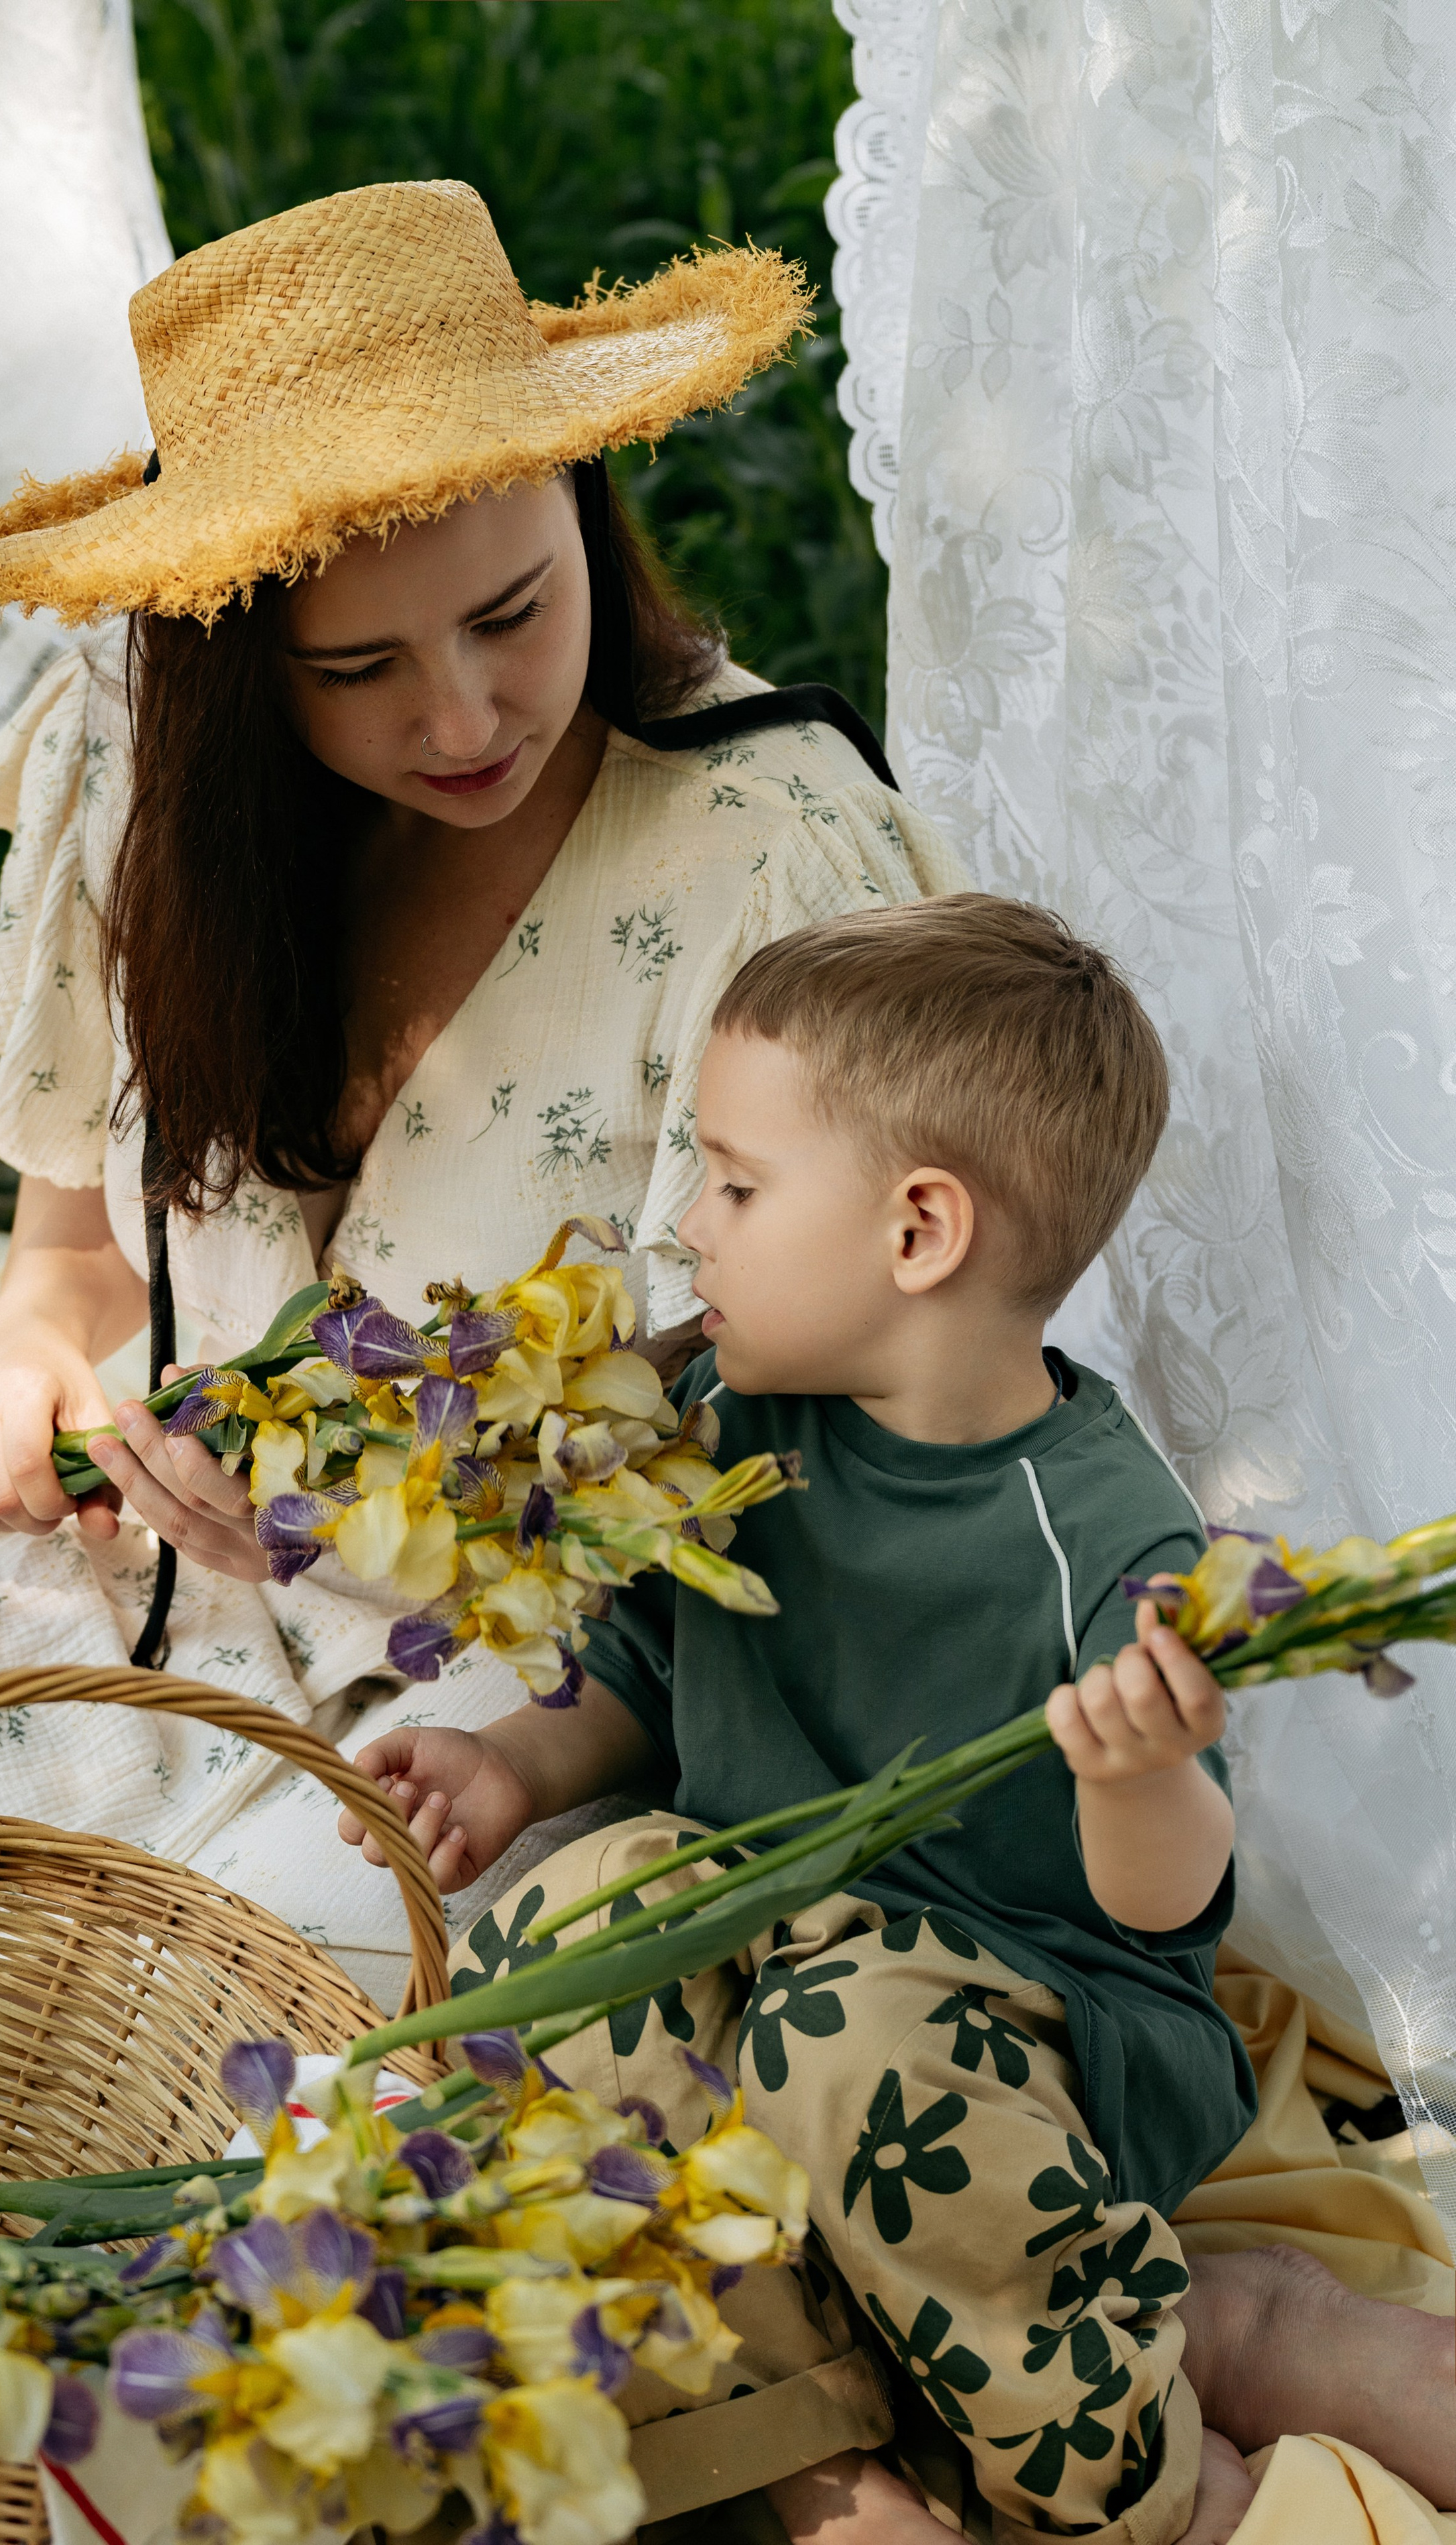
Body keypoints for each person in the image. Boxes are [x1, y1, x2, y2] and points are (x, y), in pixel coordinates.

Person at [0, 180, 956, 2002]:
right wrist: (19, 1376)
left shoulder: (767, 859)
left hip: (533, 1722)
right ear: (234, 662)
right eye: (359, 669)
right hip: (161, 1621)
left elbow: (855, 1477)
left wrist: (401, 1516)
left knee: (142, 2027)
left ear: (587, 508)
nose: (467, 717)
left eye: (513, 613)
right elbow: (72, 1270)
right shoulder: (149, 775)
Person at [337, 897, 1456, 2542]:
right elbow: (647, 1673)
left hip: (1019, 2025)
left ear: (916, 1232)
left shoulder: (1105, 1533)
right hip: (777, 1961)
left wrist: (1137, 1774)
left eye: (731, 1181)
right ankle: (827, 2433)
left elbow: (1161, 1904)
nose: (687, 1228)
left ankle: (1148, 2476)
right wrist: (512, 1765)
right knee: (577, 1931)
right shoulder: (729, 1422)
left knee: (843, 2040)